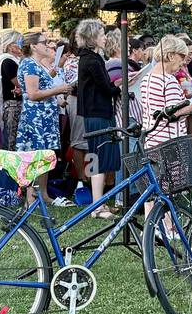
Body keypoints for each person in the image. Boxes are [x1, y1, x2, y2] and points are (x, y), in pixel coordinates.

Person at [17, 31, 74, 206]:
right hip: (36, 118)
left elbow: (43, 87)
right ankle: (31, 197)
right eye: (44, 42)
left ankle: (43, 194)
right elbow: (33, 94)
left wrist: (57, 95)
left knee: (46, 156)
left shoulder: (38, 64)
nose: (48, 45)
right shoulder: (29, 64)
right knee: (36, 156)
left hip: (46, 116)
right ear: (33, 46)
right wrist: (58, 90)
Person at [73, 20, 124, 213]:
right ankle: (97, 205)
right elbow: (106, 89)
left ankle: (98, 202)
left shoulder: (87, 58)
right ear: (92, 37)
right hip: (98, 113)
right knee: (98, 156)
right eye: (102, 35)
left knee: (95, 155)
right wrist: (121, 85)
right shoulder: (93, 60)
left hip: (93, 113)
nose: (105, 38)